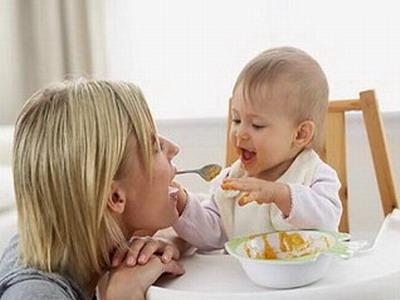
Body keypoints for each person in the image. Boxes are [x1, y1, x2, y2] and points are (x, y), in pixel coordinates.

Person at [0, 79, 185, 300]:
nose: (174, 149)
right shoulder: (36, 295)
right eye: (155, 147)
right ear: (115, 197)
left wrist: (168, 242)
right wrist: (123, 295)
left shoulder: (59, 240)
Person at [171, 47, 343, 250]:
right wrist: (181, 203)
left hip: (308, 279)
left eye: (257, 125)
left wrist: (280, 194)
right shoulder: (232, 181)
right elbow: (212, 234)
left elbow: (328, 219)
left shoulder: (315, 175)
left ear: (300, 134)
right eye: (236, 119)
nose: (240, 133)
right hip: (246, 280)